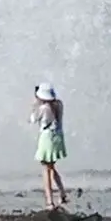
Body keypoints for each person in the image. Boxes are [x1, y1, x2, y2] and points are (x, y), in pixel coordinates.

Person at [29, 83, 69, 211]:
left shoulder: (43, 108)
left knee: (46, 170)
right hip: (58, 137)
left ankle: (49, 201)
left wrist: (34, 105)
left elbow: (32, 119)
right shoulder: (59, 104)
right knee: (51, 167)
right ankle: (62, 193)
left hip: (47, 139)